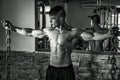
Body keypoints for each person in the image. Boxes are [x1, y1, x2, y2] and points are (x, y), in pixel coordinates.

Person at [2, 6, 114, 80]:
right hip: (52, 69)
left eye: (52, 18)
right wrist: (13, 28)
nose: (50, 21)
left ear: (60, 18)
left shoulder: (72, 32)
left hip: (66, 71)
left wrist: (108, 34)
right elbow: (30, 32)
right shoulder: (49, 31)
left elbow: (92, 36)